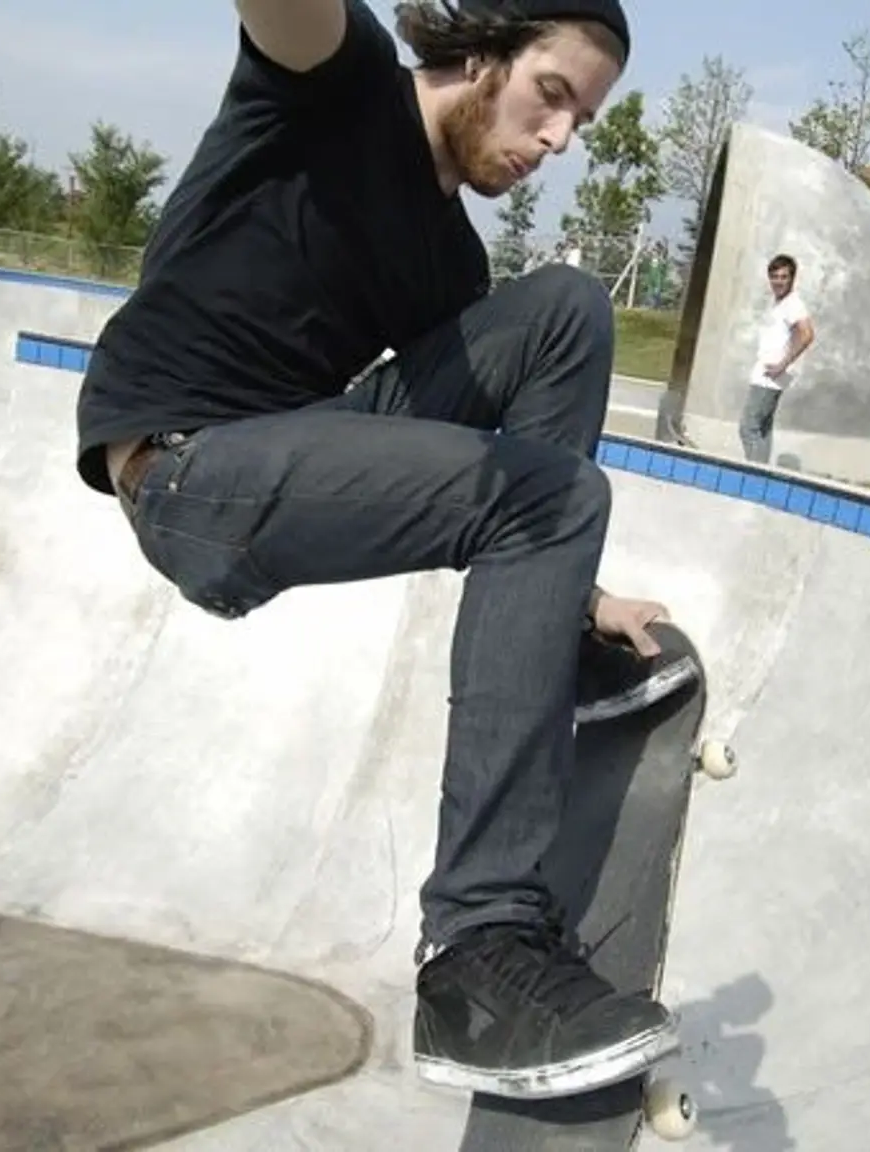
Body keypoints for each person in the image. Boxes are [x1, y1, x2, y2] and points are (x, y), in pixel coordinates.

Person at [71, 0, 698, 1099]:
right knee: (550, 496)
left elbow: (489, 458)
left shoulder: (447, 264)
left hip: (297, 445)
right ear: (482, 52)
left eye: (581, 125)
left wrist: (579, 595)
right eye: (550, 96)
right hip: (185, 469)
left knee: (561, 309)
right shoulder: (334, 75)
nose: (556, 142)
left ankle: (553, 629)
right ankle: (475, 957)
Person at [738, 253, 817, 464]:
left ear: (792, 279)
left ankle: (754, 475)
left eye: (784, 277)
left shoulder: (793, 304)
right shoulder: (781, 304)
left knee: (748, 427)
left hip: (769, 375)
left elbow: (807, 334)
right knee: (762, 429)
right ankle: (762, 474)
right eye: (774, 276)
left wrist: (783, 364)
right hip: (769, 374)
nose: (778, 282)